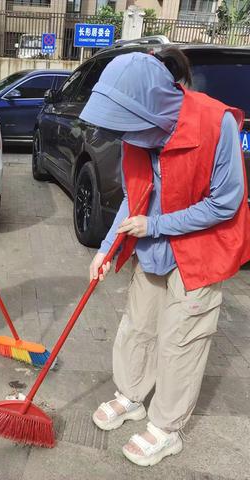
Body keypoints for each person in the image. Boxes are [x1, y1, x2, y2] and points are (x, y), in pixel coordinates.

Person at [80, 48, 250, 466]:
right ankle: (132, 395)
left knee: (182, 341)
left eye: (133, 130)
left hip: (201, 251)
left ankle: (167, 427)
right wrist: (106, 249)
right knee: (137, 326)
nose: (127, 139)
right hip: (152, 250)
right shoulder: (134, 132)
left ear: (158, 108)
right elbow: (135, 197)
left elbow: (226, 203)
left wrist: (154, 227)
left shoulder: (216, 123)